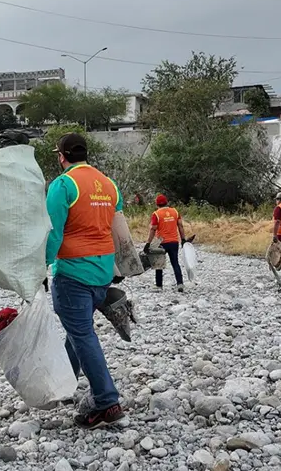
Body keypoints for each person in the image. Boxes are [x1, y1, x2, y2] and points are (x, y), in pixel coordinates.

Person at [45, 133, 124, 429]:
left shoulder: (63, 185)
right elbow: (119, 228)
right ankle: (64, 384)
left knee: (81, 334)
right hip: (102, 272)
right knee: (77, 329)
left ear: (62, 156)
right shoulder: (108, 183)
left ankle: (106, 400)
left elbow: (53, 233)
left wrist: (40, 267)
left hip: (73, 273)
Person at [143, 194, 187, 292]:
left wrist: (148, 243)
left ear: (157, 204)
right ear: (167, 202)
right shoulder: (175, 211)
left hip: (162, 242)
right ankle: (180, 284)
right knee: (175, 263)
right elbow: (180, 226)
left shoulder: (156, 214)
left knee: (159, 264)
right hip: (174, 242)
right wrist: (183, 239)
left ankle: (159, 286)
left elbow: (153, 229)